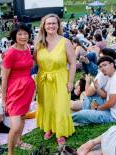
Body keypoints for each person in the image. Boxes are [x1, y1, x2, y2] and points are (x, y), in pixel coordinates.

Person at [34, 13, 76, 145]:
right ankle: (49, 128)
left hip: (61, 78)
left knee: (61, 106)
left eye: (54, 23)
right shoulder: (39, 43)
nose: (51, 26)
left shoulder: (65, 42)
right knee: (47, 105)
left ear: (58, 25)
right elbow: (34, 63)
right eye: (48, 23)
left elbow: (73, 63)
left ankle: (61, 131)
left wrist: (70, 82)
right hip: (43, 79)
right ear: (44, 26)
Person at [1, 23, 35, 155]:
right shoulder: (10, 53)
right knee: (14, 126)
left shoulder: (27, 47)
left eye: (25, 33)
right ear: (14, 35)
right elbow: (4, 78)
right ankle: (10, 152)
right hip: (14, 91)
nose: (23, 36)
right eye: (19, 34)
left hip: (27, 88)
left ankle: (19, 141)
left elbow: (30, 64)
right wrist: (4, 98)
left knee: (22, 118)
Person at [72, 56, 116, 124]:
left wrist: (97, 109)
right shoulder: (111, 76)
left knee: (82, 114)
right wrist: (97, 88)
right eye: (100, 67)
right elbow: (105, 96)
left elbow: (111, 103)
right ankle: (89, 112)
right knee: (90, 98)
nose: (102, 68)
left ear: (112, 64)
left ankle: (67, 119)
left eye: (104, 65)